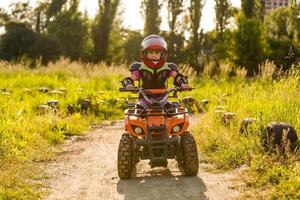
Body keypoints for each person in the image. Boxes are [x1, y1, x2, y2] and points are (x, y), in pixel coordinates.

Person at [121, 34, 189, 108]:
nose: (153, 55)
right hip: (144, 99)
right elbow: (130, 79)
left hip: (163, 99)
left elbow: (177, 76)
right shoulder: (139, 67)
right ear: (145, 53)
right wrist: (128, 84)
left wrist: (183, 83)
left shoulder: (168, 67)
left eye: (157, 52)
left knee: (172, 111)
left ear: (162, 54)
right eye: (150, 52)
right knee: (139, 110)